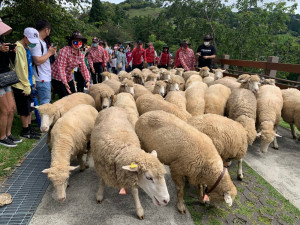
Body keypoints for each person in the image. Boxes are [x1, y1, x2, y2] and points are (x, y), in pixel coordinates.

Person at [12, 27, 41, 140]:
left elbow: (29, 67)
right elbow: (20, 70)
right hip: (21, 85)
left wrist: (32, 83)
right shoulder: (18, 48)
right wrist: (26, 85)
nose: (32, 44)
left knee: (30, 108)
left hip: (29, 83)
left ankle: (29, 128)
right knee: (24, 109)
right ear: (25, 37)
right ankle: (25, 131)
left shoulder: (26, 48)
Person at [0, 18, 22, 147]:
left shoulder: (2, 41)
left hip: (6, 77)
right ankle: (2, 137)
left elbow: (9, 62)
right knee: (5, 109)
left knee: (12, 108)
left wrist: (11, 52)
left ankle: (8, 134)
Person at [51, 31, 90, 98]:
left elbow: (83, 68)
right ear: (71, 41)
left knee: (73, 96)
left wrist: (87, 80)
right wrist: (65, 82)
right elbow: (61, 67)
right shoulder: (65, 51)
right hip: (57, 77)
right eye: (75, 40)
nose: (77, 42)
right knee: (64, 97)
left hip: (68, 76)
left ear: (82, 43)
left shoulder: (80, 54)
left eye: (79, 41)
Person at [30, 19, 57, 105]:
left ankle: (39, 118)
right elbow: (37, 61)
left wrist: (51, 52)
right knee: (45, 104)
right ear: (46, 30)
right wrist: (49, 53)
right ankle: (42, 119)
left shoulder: (42, 42)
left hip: (44, 77)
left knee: (44, 103)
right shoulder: (36, 42)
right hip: (42, 78)